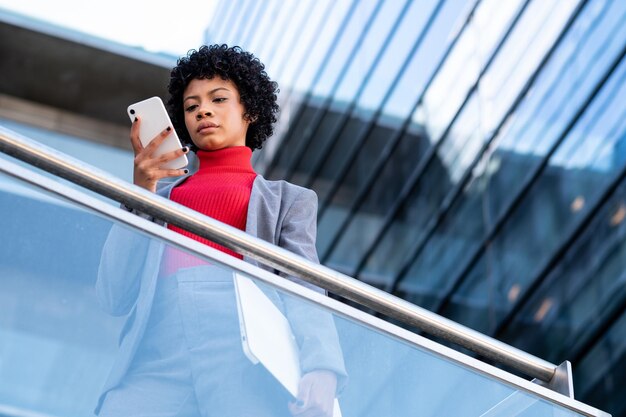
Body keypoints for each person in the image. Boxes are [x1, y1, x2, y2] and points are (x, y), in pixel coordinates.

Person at [95, 44, 347, 417]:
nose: (203, 111)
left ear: (252, 110)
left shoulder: (287, 200)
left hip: (244, 354)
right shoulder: (160, 194)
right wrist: (139, 194)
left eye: (218, 99)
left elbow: (304, 285)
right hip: (157, 352)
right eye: (191, 106)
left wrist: (322, 367)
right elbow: (113, 295)